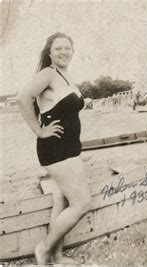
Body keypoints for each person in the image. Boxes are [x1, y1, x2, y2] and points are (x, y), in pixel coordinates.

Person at [17, 32, 92, 265]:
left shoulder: (65, 75)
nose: (63, 52)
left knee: (62, 201)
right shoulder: (48, 73)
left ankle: (57, 257)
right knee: (82, 203)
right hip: (56, 148)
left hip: (69, 147)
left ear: (73, 51)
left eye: (67, 48)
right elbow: (22, 98)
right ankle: (44, 248)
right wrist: (39, 131)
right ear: (49, 53)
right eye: (58, 48)